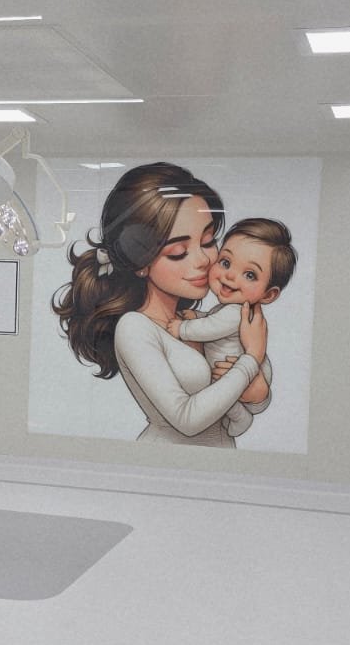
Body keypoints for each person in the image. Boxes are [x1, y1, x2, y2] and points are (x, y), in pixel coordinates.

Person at [52, 162, 271, 447]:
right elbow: (187, 420)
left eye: (208, 241)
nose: (203, 260)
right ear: (140, 263)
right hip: (163, 460)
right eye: (178, 252)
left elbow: (243, 404)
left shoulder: (197, 319)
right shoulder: (134, 328)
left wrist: (259, 394)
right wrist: (251, 359)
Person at [166, 218, 296, 437]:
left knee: (224, 393)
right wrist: (198, 316)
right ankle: (240, 417)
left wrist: (182, 329)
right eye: (225, 262)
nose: (230, 275)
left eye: (250, 275)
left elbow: (211, 328)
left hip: (241, 371)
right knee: (223, 393)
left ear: (268, 294)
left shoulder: (237, 312)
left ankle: (241, 418)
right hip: (237, 370)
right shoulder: (231, 310)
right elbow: (214, 321)